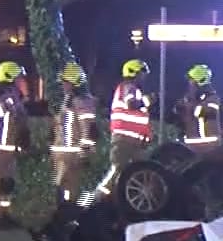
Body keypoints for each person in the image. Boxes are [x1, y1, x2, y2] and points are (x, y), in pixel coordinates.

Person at [90, 59, 152, 204]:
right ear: (134, 73)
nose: (144, 77)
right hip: (124, 140)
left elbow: (139, 119)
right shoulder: (128, 87)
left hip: (134, 142)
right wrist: (147, 100)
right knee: (117, 173)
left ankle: (125, 203)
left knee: (138, 175)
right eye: (142, 74)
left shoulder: (134, 90)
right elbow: (131, 105)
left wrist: (145, 137)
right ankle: (94, 200)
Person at [0, 61, 30, 226]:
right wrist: (7, 104)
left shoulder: (16, 98)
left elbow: (20, 123)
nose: (22, 81)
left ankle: (4, 214)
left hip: (9, 150)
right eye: (19, 78)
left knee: (8, 184)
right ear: (10, 78)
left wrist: (23, 140)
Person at [49, 62, 97, 203]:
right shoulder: (68, 100)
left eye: (65, 82)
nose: (63, 85)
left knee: (69, 188)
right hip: (62, 153)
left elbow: (88, 130)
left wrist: (84, 153)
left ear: (73, 83)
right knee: (61, 187)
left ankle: (67, 215)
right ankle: (63, 214)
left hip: (72, 154)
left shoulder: (83, 102)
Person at [178, 63, 223, 160]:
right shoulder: (190, 98)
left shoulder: (212, 98)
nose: (190, 84)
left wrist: (189, 103)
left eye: (192, 81)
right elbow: (178, 110)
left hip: (210, 149)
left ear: (200, 82)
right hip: (190, 149)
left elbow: (199, 112)